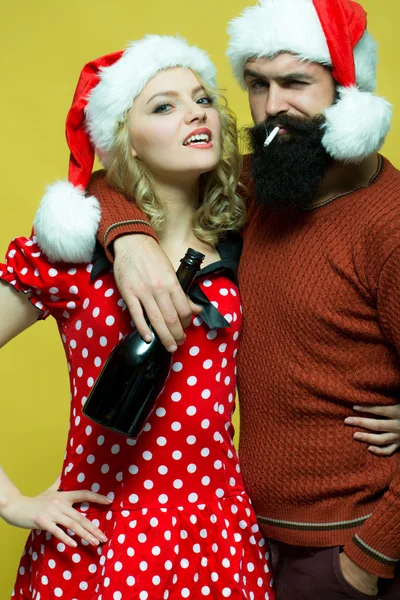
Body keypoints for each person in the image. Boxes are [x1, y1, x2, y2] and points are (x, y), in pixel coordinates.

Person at [34, 1, 400, 598]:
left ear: (348, 91)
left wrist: (366, 561)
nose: (274, 105)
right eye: (257, 83)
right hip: (247, 539)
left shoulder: (389, 223)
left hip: (345, 550)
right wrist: (129, 239)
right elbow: (131, 168)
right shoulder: (258, 185)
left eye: (297, 82)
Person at [0, 35, 275, 599]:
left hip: (220, 537)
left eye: (202, 99)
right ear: (125, 140)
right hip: (105, 536)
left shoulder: (248, 235)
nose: (195, 111)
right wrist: (12, 502)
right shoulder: (75, 256)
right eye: (163, 106)